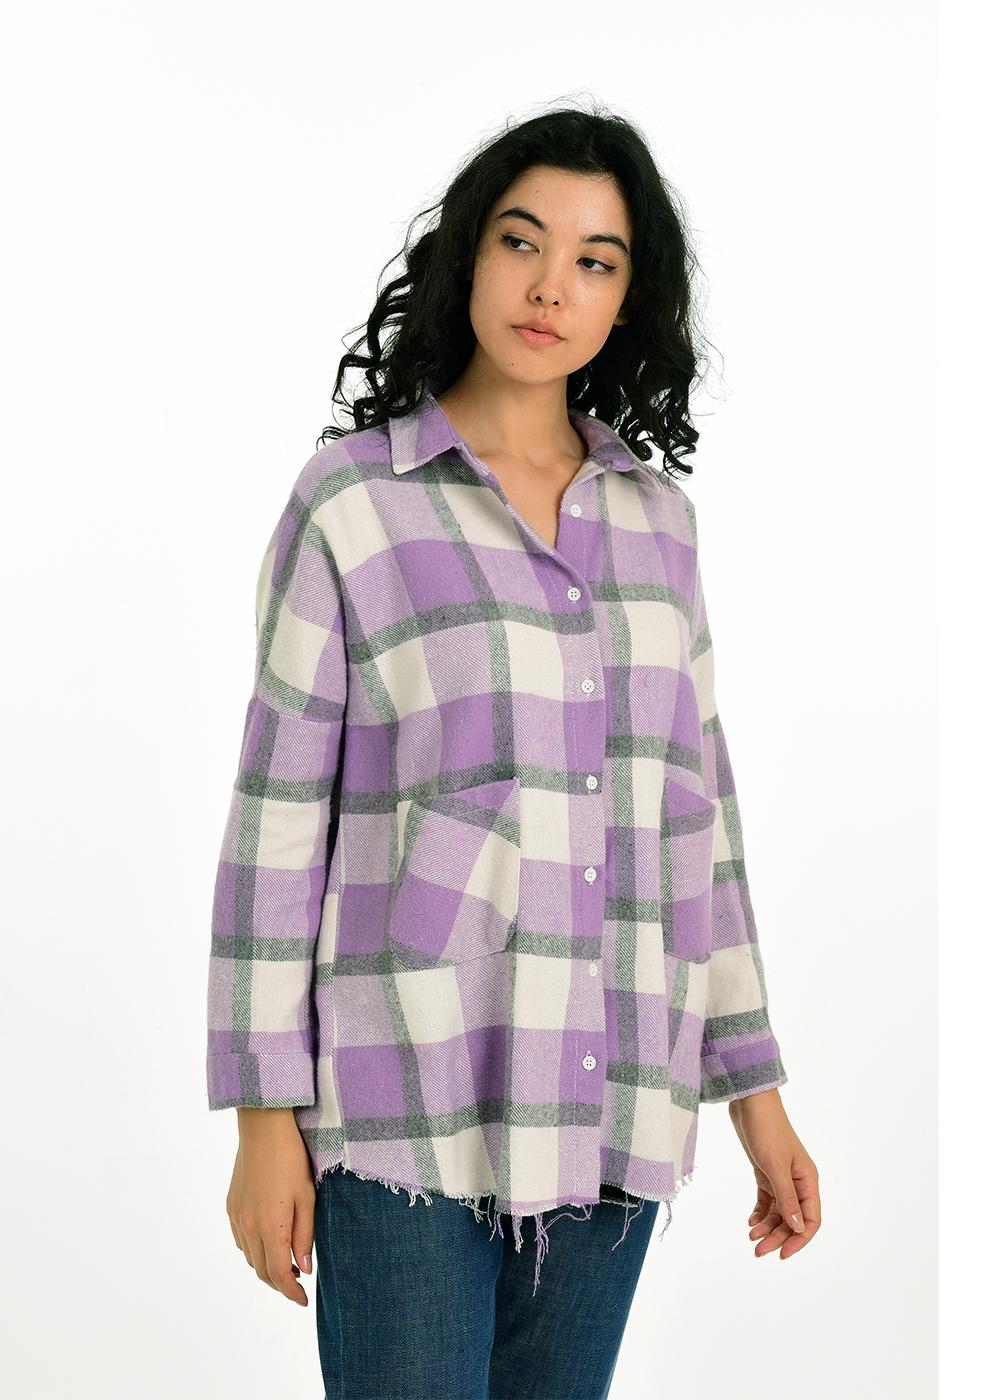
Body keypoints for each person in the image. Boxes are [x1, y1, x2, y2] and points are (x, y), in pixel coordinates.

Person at [206, 102, 821, 1400]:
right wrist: (264, 1115)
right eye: (522, 241)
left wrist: (756, 1096)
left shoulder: (658, 525)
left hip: (615, 1092)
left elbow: (699, 822)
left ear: (626, 302)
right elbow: (278, 820)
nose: (551, 286)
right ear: (468, 257)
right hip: (405, 1101)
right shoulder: (355, 502)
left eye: (595, 261)